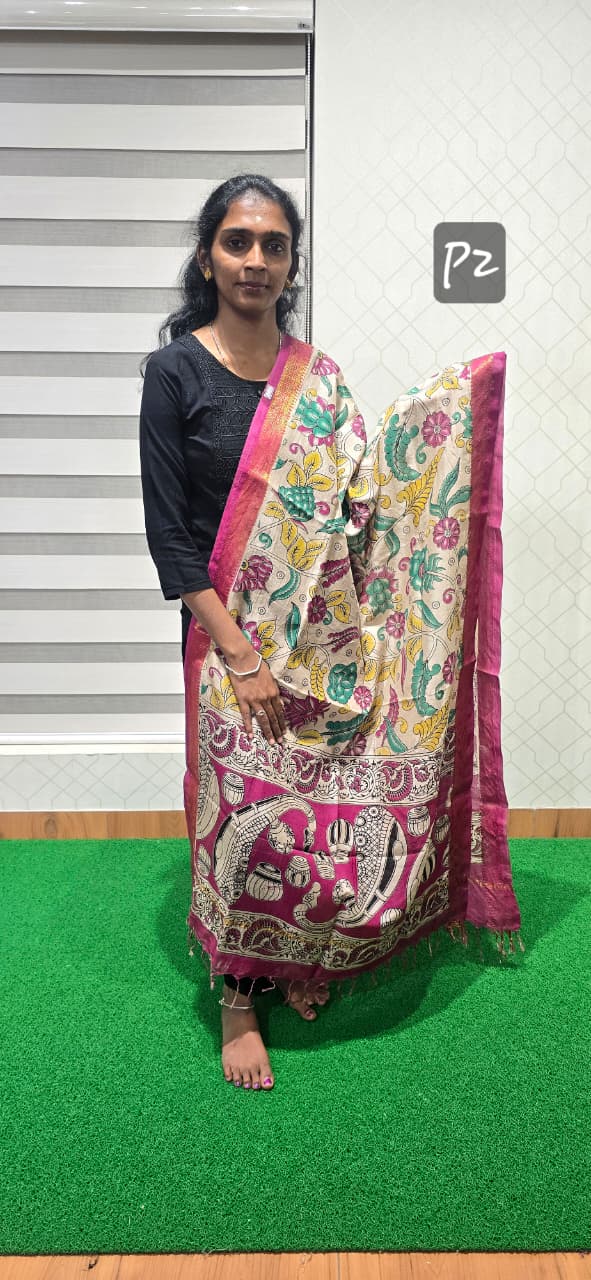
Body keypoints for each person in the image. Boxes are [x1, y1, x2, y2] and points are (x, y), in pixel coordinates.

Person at [139, 173, 523, 1095]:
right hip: (228, 640)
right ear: (207, 257)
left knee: (317, 812)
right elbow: (170, 536)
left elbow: (364, 503)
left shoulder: (317, 379)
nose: (255, 261)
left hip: (322, 644)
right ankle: (239, 996)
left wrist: (448, 419)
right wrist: (241, 655)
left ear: (291, 263)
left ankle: (298, 957)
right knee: (238, 818)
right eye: (237, 242)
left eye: (273, 246)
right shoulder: (176, 373)